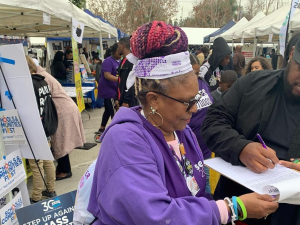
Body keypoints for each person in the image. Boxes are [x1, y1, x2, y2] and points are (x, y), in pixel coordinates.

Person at [88, 21, 278, 225]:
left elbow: (196, 193)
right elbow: (155, 216)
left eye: (196, 99)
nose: (195, 109)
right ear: (153, 100)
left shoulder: (181, 131)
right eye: (188, 102)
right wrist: (232, 208)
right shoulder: (125, 140)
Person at [201, 38, 300, 225]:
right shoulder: (252, 84)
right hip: (240, 208)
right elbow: (212, 122)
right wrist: (241, 148)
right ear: (291, 54)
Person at [31, 58, 86, 181]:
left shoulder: (39, 77)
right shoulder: (43, 74)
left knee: (60, 141)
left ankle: (65, 170)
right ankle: (62, 168)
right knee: (60, 140)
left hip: (61, 110)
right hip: (63, 108)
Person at [26, 56, 57, 203]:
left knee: (36, 164)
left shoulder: (28, 84)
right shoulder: (42, 80)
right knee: (47, 160)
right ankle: (51, 190)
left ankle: (36, 197)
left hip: (36, 128)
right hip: (46, 127)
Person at [188, 54, 213, 193]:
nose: (195, 77)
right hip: (188, 146)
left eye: (197, 73)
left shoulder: (203, 84)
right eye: (191, 73)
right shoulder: (181, 91)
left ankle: (209, 209)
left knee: (205, 181)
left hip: (204, 144)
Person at [96, 43, 121, 136]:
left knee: (107, 110)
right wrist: (120, 80)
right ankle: (116, 132)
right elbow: (107, 75)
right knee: (114, 111)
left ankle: (101, 129)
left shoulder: (118, 61)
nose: (120, 55)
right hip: (108, 90)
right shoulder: (108, 61)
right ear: (114, 52)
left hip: (114, 89)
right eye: (119, 53)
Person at [116, 37, 139, 108]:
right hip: (122, 99)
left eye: (119, 46)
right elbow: (120, 80)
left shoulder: (132, 61)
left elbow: (133, 82)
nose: (117, 48)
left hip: (129, 102)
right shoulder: (123, 61)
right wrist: (117, 98)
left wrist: (126, 101)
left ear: (123, 46)